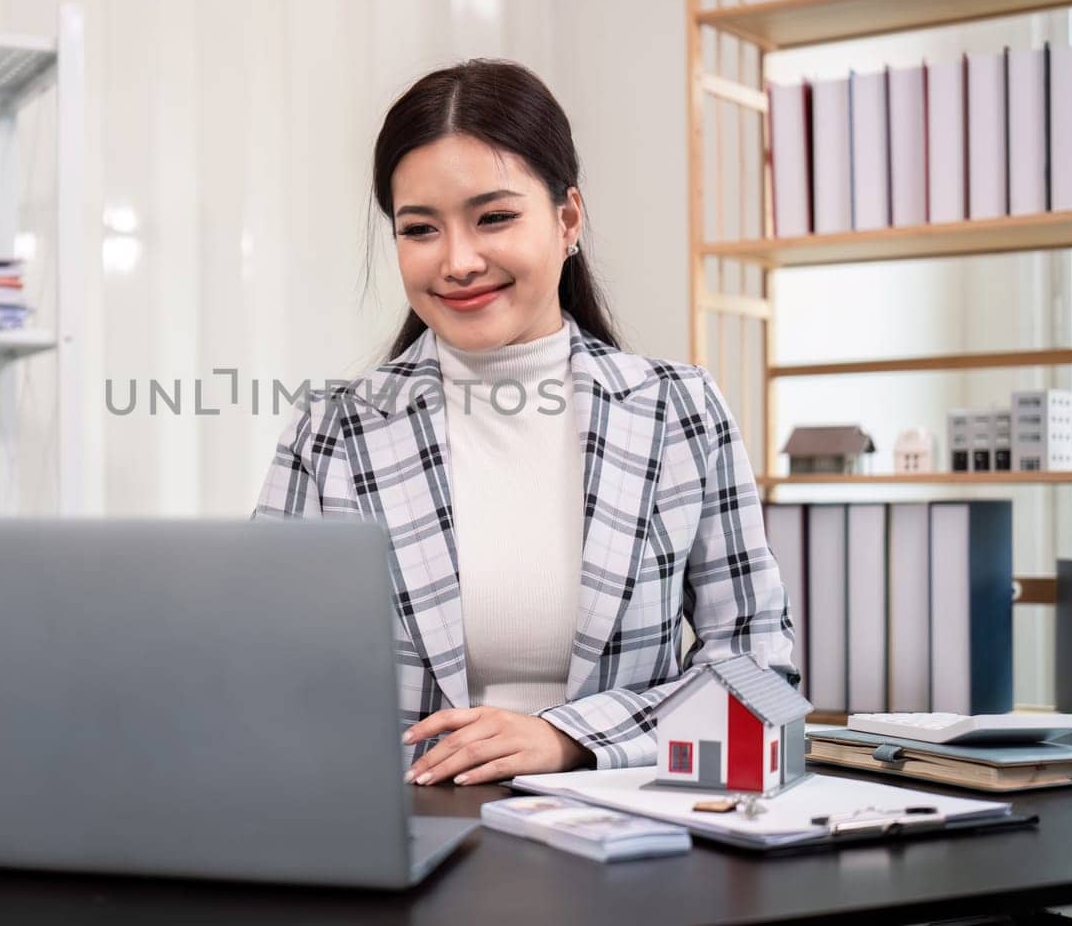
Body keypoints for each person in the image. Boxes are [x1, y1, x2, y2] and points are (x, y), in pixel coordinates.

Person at [254, 59, 796, 787]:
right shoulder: (334, 430)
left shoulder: (679, 410)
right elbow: (261, 669)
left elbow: (758, 668)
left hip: (630, 841)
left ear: (567, 218)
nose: (459, 260)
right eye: (420, 228)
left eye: (495, 217)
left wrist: (569, 737)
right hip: (402, 838)